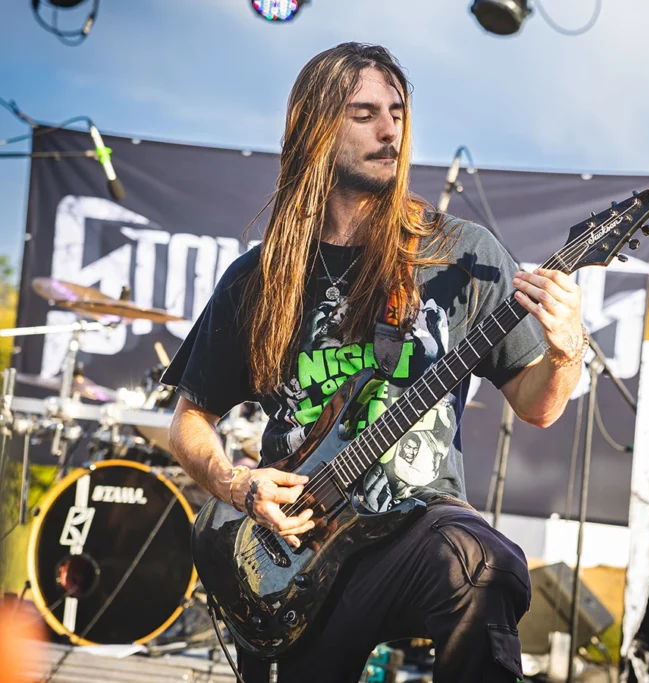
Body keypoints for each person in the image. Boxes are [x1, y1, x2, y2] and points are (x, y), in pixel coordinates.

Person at [161, 42, 588, 683]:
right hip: (297, 550)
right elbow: (189, 421)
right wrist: (239, 486)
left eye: (397, 111)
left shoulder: (462, 254)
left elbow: (539, 407)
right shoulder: (261, 276)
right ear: (315, 128)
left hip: (417, 526)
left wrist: (566, 349)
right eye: (364, 114)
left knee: (479, 562)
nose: (390, 130)